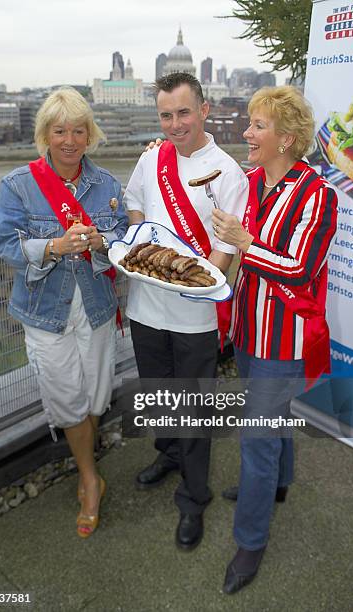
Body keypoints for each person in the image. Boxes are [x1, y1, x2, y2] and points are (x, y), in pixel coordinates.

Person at [211, 86, 338, 593]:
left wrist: (245, 243)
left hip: (284, 338)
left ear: (287, 139)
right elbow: (211, 193)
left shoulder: (319, 194)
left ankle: (250, 541)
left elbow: (301, 269)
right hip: (248, 328)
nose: (246, 133)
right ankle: (278, 485)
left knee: (257, 437)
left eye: (257, 126)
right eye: (249, 123)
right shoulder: (249, 182)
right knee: (271, 422)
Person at [123, 72, 249, 550]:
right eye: (166, 115)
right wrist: (142, 242)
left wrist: (189, 286)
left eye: (183, 112)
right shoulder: (151, 157)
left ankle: (195, 497)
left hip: (194, 316)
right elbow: (135, 204)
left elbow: (224, 251)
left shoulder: (228, 172)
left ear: (204, 109)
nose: (175, 124)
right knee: (158, 394)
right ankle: (168, 453)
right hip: (145, 304)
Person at [0, 87, 128, 538]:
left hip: (95, 306)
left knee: (93, 396)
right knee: (67, 399)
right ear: (45, 135)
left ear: (89, 135)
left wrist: (102, 244)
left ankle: (88, 469)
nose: (69, 140)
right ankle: (90, 479)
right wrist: (52, 246)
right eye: (60, 131)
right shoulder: (17, 184)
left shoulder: (108, 186)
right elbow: (8, 249)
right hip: (44, 311)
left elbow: (124, 248)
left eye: (78, 130)